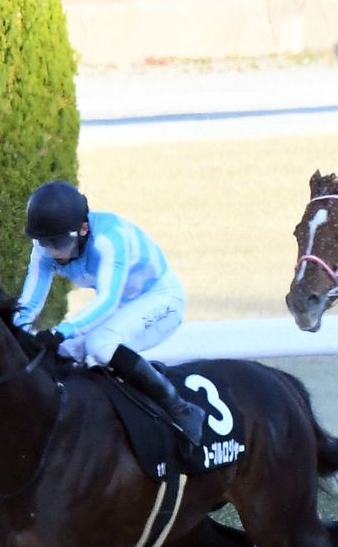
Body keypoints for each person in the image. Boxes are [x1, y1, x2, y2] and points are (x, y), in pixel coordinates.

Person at [14, 181, 206, 445]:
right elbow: (28, 305)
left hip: (162, 299)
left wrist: (60, 331)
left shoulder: (109, 239)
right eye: (46, 243)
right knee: (62, 352)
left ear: (84, 229)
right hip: (124, 307)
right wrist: (17, 333)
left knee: (100, 344)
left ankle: (181, 409)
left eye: (60, 243)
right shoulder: (45, 249)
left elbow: (107, 301)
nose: (54, 252)